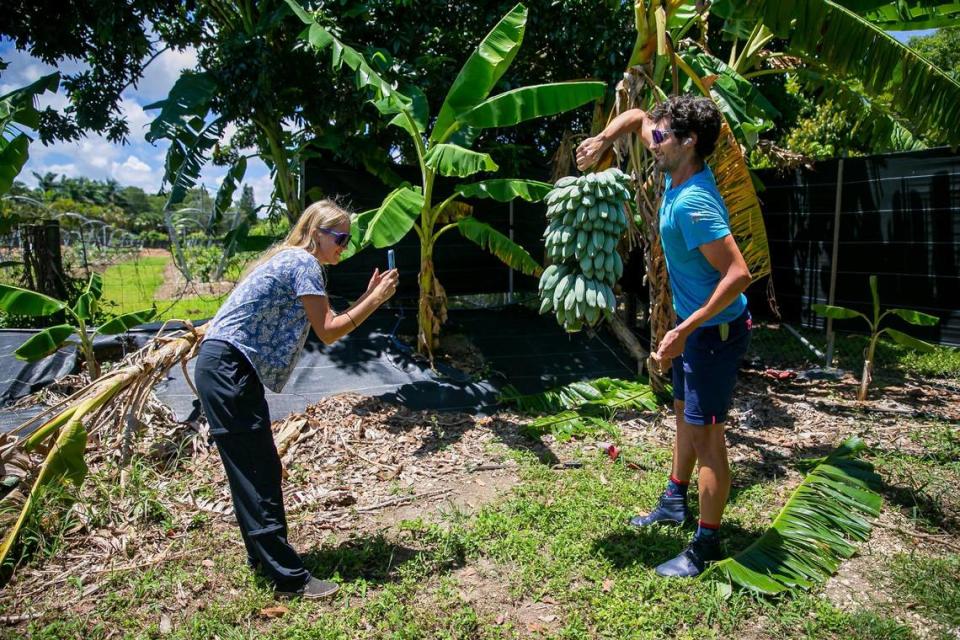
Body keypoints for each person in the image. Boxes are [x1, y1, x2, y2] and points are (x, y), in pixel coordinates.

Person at [576, 95, 752, 578]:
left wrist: (683, 328)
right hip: (695, 330)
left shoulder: (694, 201)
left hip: (712, 332)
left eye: (662, 136)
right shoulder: (675, 165)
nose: (652, 141)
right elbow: (637, 119)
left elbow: (738, 275)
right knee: (683, 415)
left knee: (708, 436)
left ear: (688, 142)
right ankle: (675, 499)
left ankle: (706, 545)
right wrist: (602, 140)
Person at [194, 200, 399, 598]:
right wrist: (375, 300)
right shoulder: (304, 264)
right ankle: (288, 579)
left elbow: (324, 318)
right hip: (229, 370)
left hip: (227, 368)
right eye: (339, 237)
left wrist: (365, 297)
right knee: (258, 472)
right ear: (315, 234)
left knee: (256, 469)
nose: (344, 245)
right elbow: (328, 330)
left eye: (349, 239)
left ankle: (264, 560)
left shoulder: (290, 260)